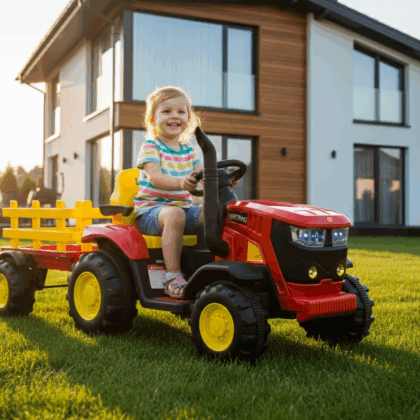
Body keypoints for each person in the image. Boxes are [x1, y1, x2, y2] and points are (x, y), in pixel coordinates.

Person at [134, 86, 238, 299]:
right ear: (152, 119)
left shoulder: (189, 150)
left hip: (182, 209)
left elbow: (205, 174)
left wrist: (223, 180)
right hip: (150, 211)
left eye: (181, 111)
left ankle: (220, 267)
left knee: (217, 213)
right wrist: (181, 182)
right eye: (167, 111)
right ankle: (172, 276)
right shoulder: (151, 146)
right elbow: (155, 177)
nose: (174, 116)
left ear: (188, 119)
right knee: (175, 215)